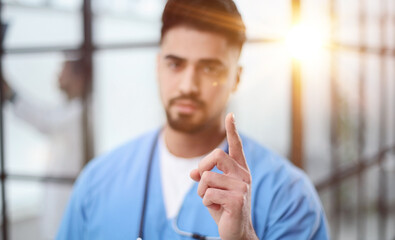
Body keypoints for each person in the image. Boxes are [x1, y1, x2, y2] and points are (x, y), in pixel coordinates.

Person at [57, 0, 329, 239]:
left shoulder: (289, 197)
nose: (188, 85)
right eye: (175, 64)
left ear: (236, 78)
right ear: (157, 67)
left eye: (209, 68)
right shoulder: (97, 183)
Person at [2, 57, 87, 239]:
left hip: (64, 205)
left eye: (63, 70)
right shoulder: (68, 111)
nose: (58, 75)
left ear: (78, 77)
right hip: (57, 207)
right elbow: (46, 116)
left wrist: (11, 94)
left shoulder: (80, 112)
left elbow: (45, 121)